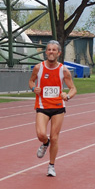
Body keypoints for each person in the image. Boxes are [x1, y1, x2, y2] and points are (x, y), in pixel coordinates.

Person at [29, 40, 76, 177]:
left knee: (55, 138)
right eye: (49, 49)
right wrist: (33, 88)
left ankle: (51, 166)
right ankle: (45, 143)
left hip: (58, 107)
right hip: (42, 106)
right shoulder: (38, 68)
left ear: (59, 53)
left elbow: (73, 88)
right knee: (41, 134)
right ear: (46, 52)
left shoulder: (64, 70)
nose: (51, 52)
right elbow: (31, 81)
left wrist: (67, 96)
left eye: (54, 50)